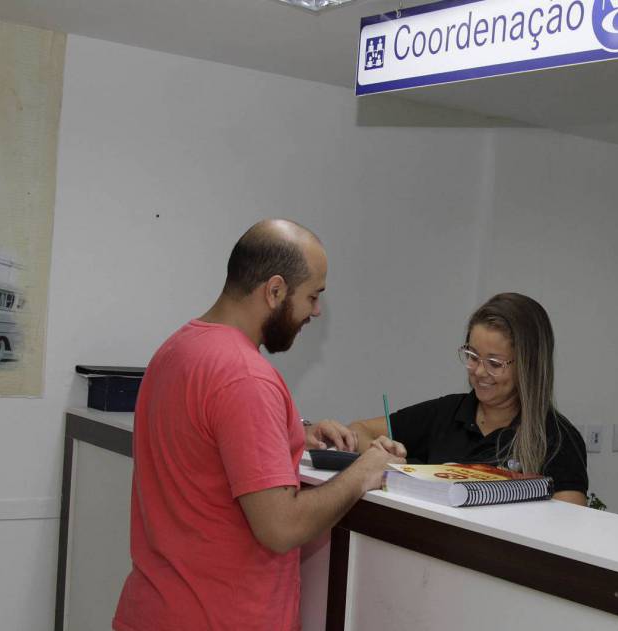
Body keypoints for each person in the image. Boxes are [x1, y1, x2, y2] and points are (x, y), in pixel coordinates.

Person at [113, 219, 405, 631]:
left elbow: (205, 438)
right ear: (275, 290)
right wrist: (363, 472)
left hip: (153, 612)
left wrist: (291, 432)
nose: (316, 312)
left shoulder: (177, 349)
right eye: (313, 296)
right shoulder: (246, 377)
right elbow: (281, 527)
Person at [345, 292, 589, 505]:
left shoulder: (558, 440)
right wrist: (387, 462)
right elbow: (358, 430)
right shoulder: (445, 413)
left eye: (494, 363)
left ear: (528, 367)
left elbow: (565, 530)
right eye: (472, 356)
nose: (479, 372)